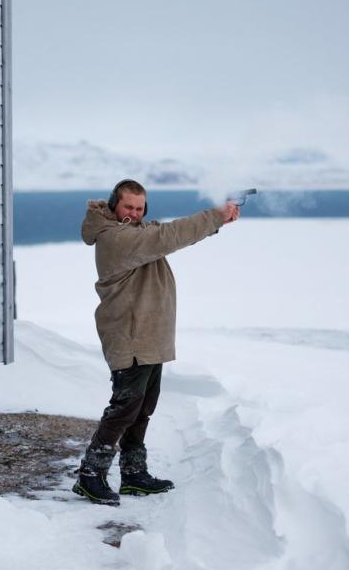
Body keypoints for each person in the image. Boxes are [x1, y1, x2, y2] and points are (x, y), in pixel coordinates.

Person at [73, 179, 240, 506]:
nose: (134, 214)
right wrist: (216, 216)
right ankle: (90, 475)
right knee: (124, 408)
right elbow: (169, 236)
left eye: (139, 208)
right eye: (128, 207)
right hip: (131, 336)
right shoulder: (116, 238)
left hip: (148, 336)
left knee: (142, 408)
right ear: (113, 206)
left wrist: (216, 222)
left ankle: (134, 473)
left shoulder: (135, 233)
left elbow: (170, 236)